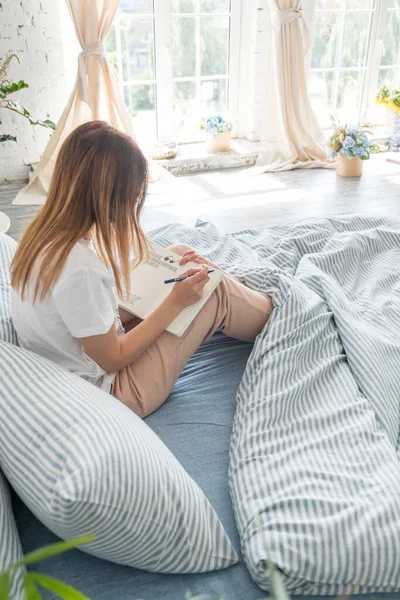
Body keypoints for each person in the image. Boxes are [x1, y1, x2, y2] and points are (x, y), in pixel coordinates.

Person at [11, 121, 273, 418]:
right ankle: (276, 315)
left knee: (179, 256)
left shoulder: (41, 234)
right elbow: (114, 359)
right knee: (214, 291)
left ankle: (245, 298)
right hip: (117, 392)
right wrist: (175, 301)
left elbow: (80, 319)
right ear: (111, 196)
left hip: (82, 359)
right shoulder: (79, 268)